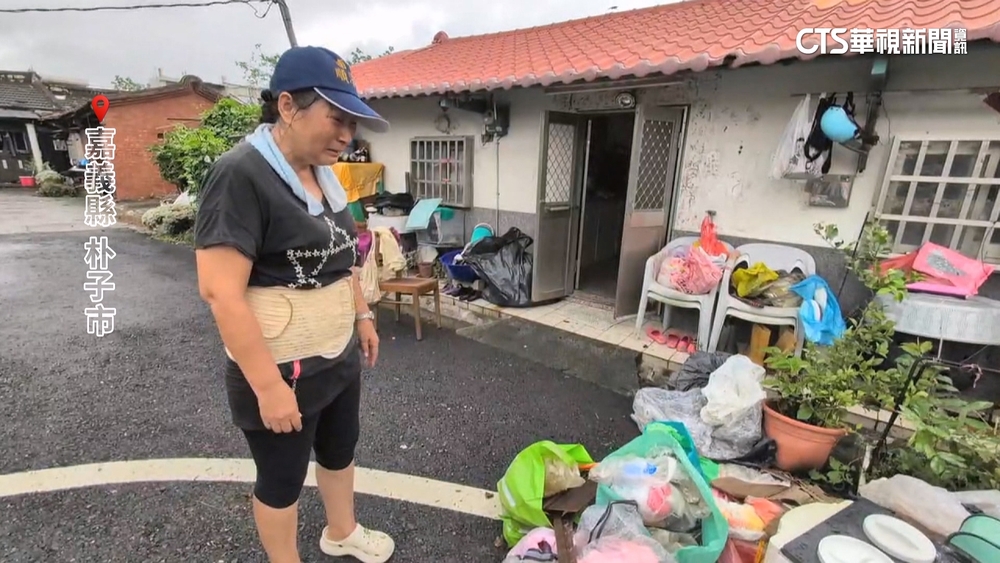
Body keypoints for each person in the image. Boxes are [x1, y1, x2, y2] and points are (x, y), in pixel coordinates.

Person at [193, 46, 394, 563]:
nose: (347, 134)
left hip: (336, 352)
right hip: (283, 366)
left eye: (352, 121)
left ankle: (342, 531)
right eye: (336, 117)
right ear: (287, 106)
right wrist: (268, 387)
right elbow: (220, 290)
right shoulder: (241, 174)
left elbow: (340, 259)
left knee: (339, 450)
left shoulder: (326, 178)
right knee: (282, 479)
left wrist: (363, 317)